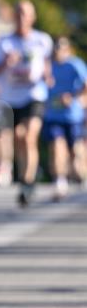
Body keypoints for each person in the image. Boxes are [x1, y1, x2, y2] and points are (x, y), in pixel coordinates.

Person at [0, 0, 51, 207]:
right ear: (14, 17)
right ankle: (25, 174)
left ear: (33, 17)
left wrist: (47, 76)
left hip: (34, 95)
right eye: (19, 13)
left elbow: (47, 66)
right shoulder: (3, 42)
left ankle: (27, 183)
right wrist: (5, 63)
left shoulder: (42, 40)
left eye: (26, 13)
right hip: (10, 98)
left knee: (29, 136)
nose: (22, 17)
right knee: (18, 138)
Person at [42, 36, 87, 199]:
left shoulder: (75, 64)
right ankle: (60, 182)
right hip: (53, 115)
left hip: (72, 116)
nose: (58, 51)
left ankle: (80, 175)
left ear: (68, 49)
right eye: (56, 48)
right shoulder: (48, 65)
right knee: (56, 146)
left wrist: (73, 98)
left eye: (61, 48)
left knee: (75, 151)